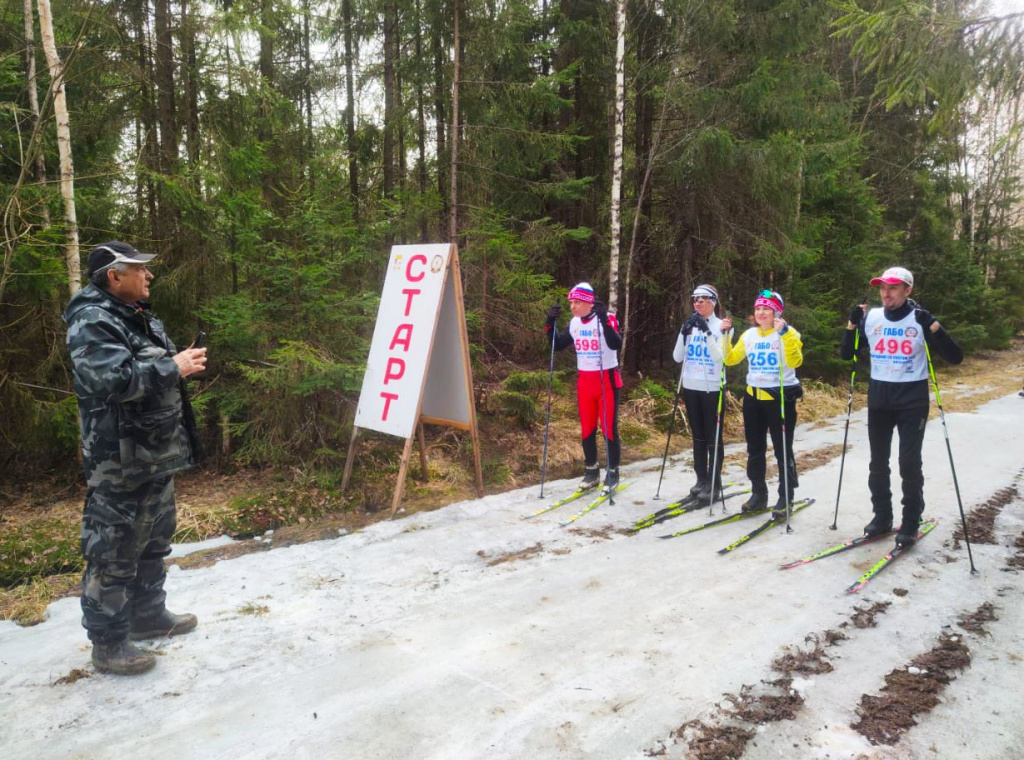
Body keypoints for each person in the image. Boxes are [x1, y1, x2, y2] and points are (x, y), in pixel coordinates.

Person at [63, 241, 207, 675]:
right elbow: (113, 380)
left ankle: (147, 616)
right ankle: (108, 645)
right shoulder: (92, 320)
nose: (148, 276)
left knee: (153, 541)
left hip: (153, 456)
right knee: (113, 550)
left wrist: (176, 364)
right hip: (119, 462)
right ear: (113, 276)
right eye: (139, 270)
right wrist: (174, 366)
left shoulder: (136, 315)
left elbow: (149, 373)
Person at [841, 266, 963, 548]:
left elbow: (955, 357)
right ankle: (882, 517)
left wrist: (933, 326)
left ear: (907, 290)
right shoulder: (870, 317)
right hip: (880, 399)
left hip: (912, 400)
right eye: (882, 287)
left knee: (908, 463)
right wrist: (851, 324)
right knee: (877, 462)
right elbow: (847, 355)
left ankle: (910, 522)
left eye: (893, 288)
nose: (886, 293)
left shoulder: (919, 318)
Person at [724, 290, 803, 514]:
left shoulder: (789, 333)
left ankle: (786, 496)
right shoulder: (750, 335)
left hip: (780, 398)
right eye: (758, 308)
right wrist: (725, 336)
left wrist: (785, 334)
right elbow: (730, 359)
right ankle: (758, 494)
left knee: (782, 449)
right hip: (753, 399)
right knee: (755, 449)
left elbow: (796, 360)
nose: (760, 312)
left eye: (766, 309)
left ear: (776, 312)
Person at [545, 282, 623, 493]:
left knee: (608, 428)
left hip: (606, 379)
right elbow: (557, 345)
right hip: (585, 382)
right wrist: (550, 324)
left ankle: (613, 472)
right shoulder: (575, 323)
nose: (573, 306)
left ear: (589, 303)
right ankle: (591, 471)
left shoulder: (606, 318)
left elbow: (616, 344)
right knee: (587, 427)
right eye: (571, 302)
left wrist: (605, 320)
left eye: (577, 302)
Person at [672, 284, 732, 503]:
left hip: (712, 388)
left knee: (712, 438)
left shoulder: (722, 326)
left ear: (713, 302)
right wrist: (683, 331)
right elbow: (678, 357)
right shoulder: (689, 325)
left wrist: (706, 332)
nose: (698, 302)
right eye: (695, 298)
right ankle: (701, 479)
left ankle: (714, 484)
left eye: (703, 299)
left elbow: (720, 358)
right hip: (691, 385)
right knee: (697, 436)